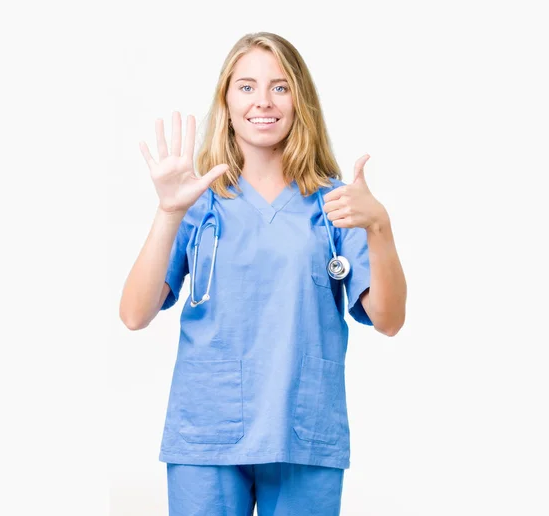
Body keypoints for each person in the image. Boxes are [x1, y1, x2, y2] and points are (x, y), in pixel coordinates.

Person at [120, 32, 407, 516]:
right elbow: (133, 314)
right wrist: (168, 212)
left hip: (304, 427)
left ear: (301, 100)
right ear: (226, 101)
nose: (263, 102)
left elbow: (389, 318)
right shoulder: (196, 203)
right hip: (208, 432)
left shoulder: (336, 203)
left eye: (280, 87)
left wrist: (379, 225)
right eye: (247, 86)